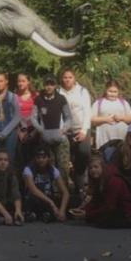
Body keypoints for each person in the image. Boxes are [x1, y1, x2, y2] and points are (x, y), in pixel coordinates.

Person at [70, 154, 131, 229]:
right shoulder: (98, 180)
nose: (93, 170)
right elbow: (95, 200)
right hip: (112, 207)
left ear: (102, 167)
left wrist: (87, 214)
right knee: (93, 218)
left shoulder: (114, 180)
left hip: (125, 210)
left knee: (103, 221)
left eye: (96, 167)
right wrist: (83, 210)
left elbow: (109, 206)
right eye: (90, 168)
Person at [59, 68, 92, 202]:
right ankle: (66, 191)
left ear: (74, 78)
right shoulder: (58, 92)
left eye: (70, 77)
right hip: (65, 131)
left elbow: (87, 112)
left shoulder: (82, 91)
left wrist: (84, 131)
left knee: (83, 155)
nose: (67, 80)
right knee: (65, 161)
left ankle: (81, 187)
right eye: (65, 77)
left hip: (81, 129)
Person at [32, 76, 73, 178]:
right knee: (49, 167)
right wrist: (40, 130)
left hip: (61, 140)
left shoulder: (61, 99)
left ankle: (64, 192)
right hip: (45, 140)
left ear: (55, 85)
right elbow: (33, 118)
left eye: (51, 84)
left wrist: (64, 129)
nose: (49, 87)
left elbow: (68, 117)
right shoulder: (38, 99)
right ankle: (50, 192)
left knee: (63, 168)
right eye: (47, 84)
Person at [22, 146, 70, 223]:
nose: (41, 160)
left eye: (44, 157)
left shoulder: (53, 170)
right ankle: (36, 214)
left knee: (69, 202)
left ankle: (46, 215)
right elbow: (33, 190)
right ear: (35, 158)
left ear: (48, 158)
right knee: (31, 200)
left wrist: (62, 210)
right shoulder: (28, 169)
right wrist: (51, 203)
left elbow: (65, 193)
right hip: (34, 199)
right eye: (38, 157)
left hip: (47, 198)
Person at [91, 79, 131, 161]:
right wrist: (105, 119)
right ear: (106, 90)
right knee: (105, 159)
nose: (112, 94)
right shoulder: (98, 103)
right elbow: (91, 119)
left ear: (118, 92)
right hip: (104, 138)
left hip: (121, 137)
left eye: (115, 91)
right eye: (110, 91)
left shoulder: (123, 102)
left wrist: (121, 118)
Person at [14, 73, 40, 170]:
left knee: (34, 158)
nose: (20, 83)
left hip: (34, 131)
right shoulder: (14, 97)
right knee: (21, 160)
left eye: (23, 81)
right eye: (19, 81)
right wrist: (18, 132)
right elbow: (13, 116)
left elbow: (40, 116)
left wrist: (34, 132)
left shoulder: (36, 96)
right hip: (20, 131)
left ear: (28, 82)